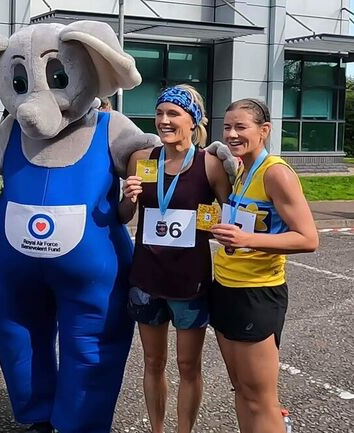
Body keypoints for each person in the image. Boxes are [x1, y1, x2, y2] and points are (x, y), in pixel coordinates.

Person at [119, 85, 232, 433]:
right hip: (147, 278)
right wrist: (128, 198)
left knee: (188, 365)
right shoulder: (142, 159)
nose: (164, 121)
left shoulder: (209, 164)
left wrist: (216, 225)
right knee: (153, 362)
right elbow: (124, 216)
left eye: (174, 114)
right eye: (160, 113)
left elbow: (231, 216)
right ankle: (156, 429)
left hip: (189, 281)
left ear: (192, 119)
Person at [209, 99, 318, 433]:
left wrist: (247, 240)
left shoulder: (276, 173)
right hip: (225, 288)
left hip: (256, 295)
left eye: (241, 127)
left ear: (264, 130)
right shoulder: (242, 169)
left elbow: (308, 238)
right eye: (227, 127)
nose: (231, 134)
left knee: (262, 400)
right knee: (241, 391)